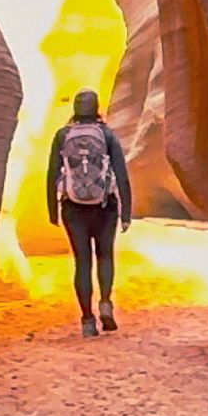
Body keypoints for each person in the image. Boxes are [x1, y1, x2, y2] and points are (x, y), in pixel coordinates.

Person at [44, 88, 133, 336]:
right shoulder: (106, 135)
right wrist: (126, 211)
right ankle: (105, 304)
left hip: (73, 208)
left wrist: (52, 208)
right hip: (105, 207)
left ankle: (87, 320)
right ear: (96, 108)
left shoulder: (63, 135)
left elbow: (52, 173)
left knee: (82, 262)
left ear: (75, 108)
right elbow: (121, 175)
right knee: (105, 256)